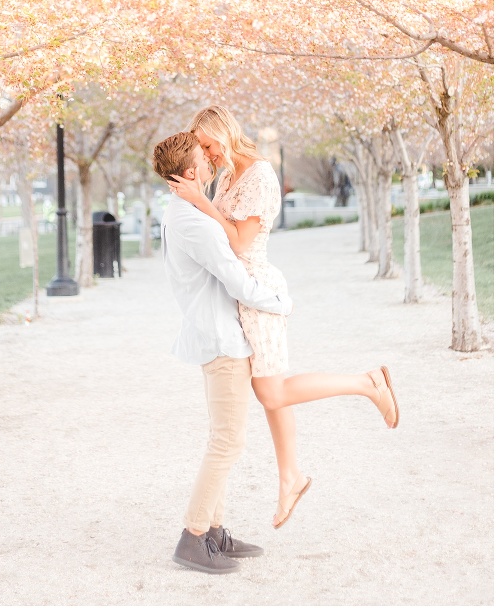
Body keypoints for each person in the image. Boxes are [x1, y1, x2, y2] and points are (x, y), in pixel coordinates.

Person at [168, 105, 399, 529]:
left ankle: (367, 384)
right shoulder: (227, 176)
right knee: (273, 388)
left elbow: (237, 242)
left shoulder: (258, 176)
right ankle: (290, 477)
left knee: (272, 394)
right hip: (240, 296)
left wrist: (200, 201)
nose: (206, 154)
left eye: (207, 145)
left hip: (257, 293)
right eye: (200, 148)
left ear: (224, 134)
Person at [152, 132, 294, 575]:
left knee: (224, 437)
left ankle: (214, 534)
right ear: (191, 172)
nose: (213, 163)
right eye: (204, 158)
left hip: (213, 333)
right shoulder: (193, 222)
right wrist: (280, 302)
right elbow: (235, 279)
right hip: (221, 339)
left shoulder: (185, 211)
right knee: (228, 441)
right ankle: (193, 537)